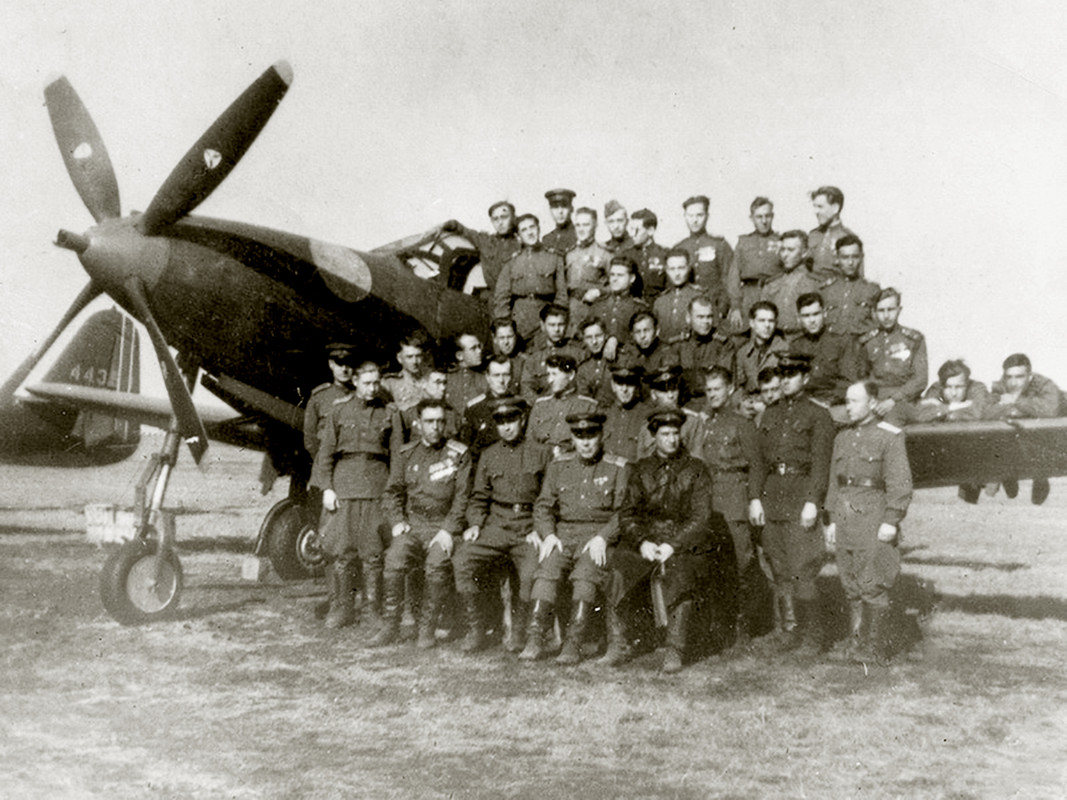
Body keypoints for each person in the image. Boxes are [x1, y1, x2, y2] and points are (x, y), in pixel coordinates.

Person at [605, 408, 728, 673]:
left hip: (684, 543)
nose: (671, 440)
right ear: (654, 437)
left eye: (675, 434)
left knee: (681, 572)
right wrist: (642, 542)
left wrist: (673, 544)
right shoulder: (641, 470)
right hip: (648, 541)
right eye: (665, 434)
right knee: (620, 566)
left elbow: (701, 518)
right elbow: (628, 515)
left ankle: (674, 648)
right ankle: (618, 643)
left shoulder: (696, 469)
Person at [524, 412, 629, 663]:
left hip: (596, 538)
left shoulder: (617, 468)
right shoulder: (559, 466)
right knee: (546, 570)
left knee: (585, 575)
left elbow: (625, 512)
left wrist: (604, 537)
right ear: (572, 437)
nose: (585, 442)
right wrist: (548, 535)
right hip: (563, 534)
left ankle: (574, 641)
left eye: (591, 435)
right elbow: (543, 506)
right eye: (579, 436)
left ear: (601, 436)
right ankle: (535, 637)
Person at [310, 361, 404, 631]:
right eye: (367, 383)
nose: (373, 388)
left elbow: (397, 458)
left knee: (373, 553)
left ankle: (372, 609)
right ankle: (343, 608)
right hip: (344, 486)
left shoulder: (389, 413)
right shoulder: (339, 410)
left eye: (376, 383)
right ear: (356, 382)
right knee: (342, 551)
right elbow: (325, 454)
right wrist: (327, 488)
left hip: (376, 486)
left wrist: (392, 490)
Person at [824, 381, 913, 665]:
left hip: (872, 516)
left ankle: (874, 646)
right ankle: (857, 641)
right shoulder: (842, 437)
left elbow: (900, 483)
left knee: (872, 582)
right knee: (850, 582)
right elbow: (834, 483)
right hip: (845, 516)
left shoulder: (890, 436)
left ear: (872, 402)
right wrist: (832, 520)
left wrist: (892, 519)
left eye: (854, 401)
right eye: (846, 401)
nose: (847, 407)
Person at [751, 354, 834, 654]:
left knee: (803, 569)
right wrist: (755, 499)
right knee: (779, 568)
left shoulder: (818, 415)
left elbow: (821, 465)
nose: (786, 379)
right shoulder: (769, 415)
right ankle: (787, 632)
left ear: (806, 377)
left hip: (801, 497)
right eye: (782, 374)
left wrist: (814, 502)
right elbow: (759, 463)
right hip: (773, 498)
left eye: (792, 373)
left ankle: (813, 635)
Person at [373, 400, 472, 648]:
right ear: (418, 423)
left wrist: (449, 530)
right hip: (414, 524)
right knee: (395, 559)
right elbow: (392, 493)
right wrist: (397, 522)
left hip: (443, 526)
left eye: (440, 421)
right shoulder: (407, 454)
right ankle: (390, 625)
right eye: (429, 421)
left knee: (437, 564)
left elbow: (462, 498)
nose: (435, 427)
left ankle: (427, 627)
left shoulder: (459, 454)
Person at [454, 398, 550, 653]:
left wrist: (539, 530)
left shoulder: (541, 453)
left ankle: (519, 630)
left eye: (511, 420)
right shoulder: (488, 454)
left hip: (528, 527)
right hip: (496, 526)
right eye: (501, 422)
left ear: (522, 420)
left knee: (531, 573)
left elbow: (548, 499)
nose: (507, 427)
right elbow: (479, 497)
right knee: (463, 559)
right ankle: (476, 628)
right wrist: (475, 524)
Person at [694, 366, 766, 643]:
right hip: (710, 501)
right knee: (715, 563)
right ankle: (720, 623)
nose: (712, 394)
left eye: (717, 389)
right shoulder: (706, 423)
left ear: (730, 390)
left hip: (735, 500)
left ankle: (744, 623)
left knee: (741, 561)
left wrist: (755, 499)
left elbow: (757, 466)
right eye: (708, 390)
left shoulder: (743, 424)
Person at [302, 343, 357, 620]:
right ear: (331, 365)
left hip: (353, 479)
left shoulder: (362, 395)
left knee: (353, 542)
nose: (345, 368)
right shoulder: (320, 398)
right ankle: (334, 598)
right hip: (326, 478)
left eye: (349, 362)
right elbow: (310, 440)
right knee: (328, 541)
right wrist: (327, 471)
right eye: (339, 362)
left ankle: (346, 599)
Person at [988, 353, 1063, 504]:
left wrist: (1016, 401)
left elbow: (1051, 409)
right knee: (1002, 432)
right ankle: (1008, 474)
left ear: (1029, 376)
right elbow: (987, 411)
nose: (1013, 382)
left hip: (1054, 429)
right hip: (1022, 427)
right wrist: (1019, 409)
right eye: (1009, 377)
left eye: (1019, 377)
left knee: (1040, 440)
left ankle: (1041, 478)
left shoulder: (1044, 384)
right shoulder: (1000, 386)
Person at [493, 213, 567, 341]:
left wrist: (553, 322)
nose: (530, 233)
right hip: (520, 321)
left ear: (538, 229)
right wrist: (508, 327)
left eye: (532, 227)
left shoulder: (555, 257)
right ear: (518, 236)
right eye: (524, 230)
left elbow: (562, 296)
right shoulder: (511, 262)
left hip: (547, 319)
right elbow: (501, 298)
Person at [858, 288, 928, 418]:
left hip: (904, 401)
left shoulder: (914, 339)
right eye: (881, 310)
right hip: (874, 401)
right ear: (874, 312)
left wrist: (893, 400)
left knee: (890, 425)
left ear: (899, 310)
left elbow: (920, 379)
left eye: (890, 309)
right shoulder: (867, 341)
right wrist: (871, 401)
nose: (886, 316)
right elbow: (862, 378)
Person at [788, 292, 861, 416]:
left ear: (824, 313)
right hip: (805, 402)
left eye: (816, 314)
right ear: (799, 318)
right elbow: (794, 384)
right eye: (806, 316)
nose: (812, 320)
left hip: (835, 403)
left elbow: (849, 381)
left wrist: (829, 401)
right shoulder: (796, 346)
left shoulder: (841, 340)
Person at [727, 197, 782, 331]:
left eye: (767, 216)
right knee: (741, 333)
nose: (764, 221)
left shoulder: (781, 241)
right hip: (748, 296)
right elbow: (734, 276)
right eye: (759, 217)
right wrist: (735, 307)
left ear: (772, 216)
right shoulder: (743, 242)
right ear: (751, 218)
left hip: (774, 294)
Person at [441, 201, 520, 293]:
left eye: (504, 217)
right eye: (495, 219)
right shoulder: (486, 241)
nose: (500, 222)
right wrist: (445, 225)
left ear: (514, 218)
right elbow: (464, 230)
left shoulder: (521, 244)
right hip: (494, 296)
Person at [527, 354, 599, 454]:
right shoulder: (540, 405)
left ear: (571, 375)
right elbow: (529, 442)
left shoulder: (588, 406)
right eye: (548, 374)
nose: (550, 380)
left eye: (554, 374)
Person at [673, 195, 734, 309]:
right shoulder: (679, 248)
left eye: (699, 215)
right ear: (685, 216)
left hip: (713, 304)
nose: (695, 220)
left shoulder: (719, 245)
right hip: (686, 306)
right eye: (690, 215)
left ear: (707, 216)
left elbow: (728, 279)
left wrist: (722, 308)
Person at [587, 255, 648, 361]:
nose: (614, 279)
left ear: (632, 278)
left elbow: (644, 341)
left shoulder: (639, 309)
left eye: (620, 275)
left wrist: (617, 339)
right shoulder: (598, 305)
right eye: (612, 275)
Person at [637, 366, 707, 459]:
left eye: (674, 389)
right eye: (663, 391)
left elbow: (698, 459)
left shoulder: (692, 422)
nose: (670, 395)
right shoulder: (647, 425)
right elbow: (641, 462)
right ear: (653, 394)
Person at [759, 230, 820, 335]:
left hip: (804, 339)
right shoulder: (772, 283)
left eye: (791, 250)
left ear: (804, 252)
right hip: (776, 339)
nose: (785, 255)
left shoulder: (815, 283)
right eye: (782, 250)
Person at [676, 295, 735, 402]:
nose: (706, 322)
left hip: (713, 403)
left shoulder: (723, 344)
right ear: (688, 318)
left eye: (709, 317)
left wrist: (707, 411)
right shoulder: (679, 344)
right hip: (685, 403)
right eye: (700, 317)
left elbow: (724, 383)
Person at [563, 207, 611, 334]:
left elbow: (617, 285)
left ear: (595, 225)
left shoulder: (605, 254)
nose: (581, 229)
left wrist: (600, 292)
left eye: (586, 224)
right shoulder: (569, 254)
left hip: (594, 311)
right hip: (572, 314)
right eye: (578, 225)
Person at [822, 235, 880, 338]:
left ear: (861, 257)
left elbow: (879, 325)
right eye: (845, 257)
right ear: (837, 259)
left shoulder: (872, 290)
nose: (850, 263)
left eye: (855, 257)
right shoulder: (825, 290)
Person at [520, 304, 583, 400]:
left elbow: (584, 385)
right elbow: (527, 390)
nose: (557, 330)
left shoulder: (578, 353)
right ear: (542, 325)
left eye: (560, 324)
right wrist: (543, 406)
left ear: (566, 325)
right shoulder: (534, 357)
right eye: (552, 325)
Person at [460, 356, 517, 460]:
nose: (501, 380)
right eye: (496, 375)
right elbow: (467, 449)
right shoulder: (474, 409)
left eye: (506, 375)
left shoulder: (522, 405)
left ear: (512, 377)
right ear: (487, 377)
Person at [653, 248, 712, 344]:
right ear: (666, 270)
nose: (677, 274)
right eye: (672, 269)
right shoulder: (660, 301)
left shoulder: (700, 296)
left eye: (681, 268)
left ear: (688, 268)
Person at [734, 300, 789, 399]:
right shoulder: (743, 353)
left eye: (771, 321)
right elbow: (740, 387)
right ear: (752, 323)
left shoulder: (785, 350)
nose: (767, 325)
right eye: (762, 320)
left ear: (776, 323)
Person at [600, 362, 650, 462]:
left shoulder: (647, 415)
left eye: (630, 383)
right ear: (613, 386)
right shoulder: (603, 414)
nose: (624, 389)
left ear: (637, 386)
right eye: (620, 383)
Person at [808, 186, 859, 282]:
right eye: (814, 207)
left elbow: (856, 278)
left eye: (820, 207)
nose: (815, 212)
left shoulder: (848, 237)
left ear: (835, 208)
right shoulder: (813, 235)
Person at [620, 208, 669, 300]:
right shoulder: (626, 255)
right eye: (631, 229)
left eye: (636, 230)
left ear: (650, 230)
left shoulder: (664, 254)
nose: (632, 234)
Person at [617, 310, 680, 380]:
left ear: (657, 331)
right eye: (638, 332)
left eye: (646, 330)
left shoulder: (667, 353)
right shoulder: (628, 351)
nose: (642, 336)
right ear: (632, 335)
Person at [403, 363, 459, 441]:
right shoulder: (409, 415)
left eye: (444, 383)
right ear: (423, 384)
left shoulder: (452, 414)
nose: (443, 388)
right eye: (438, 382)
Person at [381, 330, 428, 412]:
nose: (414, 361)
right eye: (409, 357)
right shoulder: (389, 383)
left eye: (418, 356)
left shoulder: (430, 380)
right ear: (399, 358)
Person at [446, 332, 489, 413]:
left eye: (479, 346)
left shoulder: (485, 378)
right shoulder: (446, 379)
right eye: (473, 348)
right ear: (459, 356)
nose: (479, 351)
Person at [575, 317, 613, 404]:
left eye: (598, 336)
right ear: (584, 340)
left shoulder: (618, 359)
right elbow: (584, 400)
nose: (594, 341)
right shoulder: (583, 368)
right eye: (589, 337)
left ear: (606, 335)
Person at [489, 317, 525, 396]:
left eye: (510, 337)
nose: (506, 342)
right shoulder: (489, 363)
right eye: (502, 338)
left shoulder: (525, 362)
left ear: (515, 336)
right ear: (494, 339)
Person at [542, 188, 578, 255]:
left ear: (571, 208)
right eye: (555, 207)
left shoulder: (579, 236)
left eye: (564, 206)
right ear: (550, 210)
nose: (560, 212)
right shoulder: (547, 240)